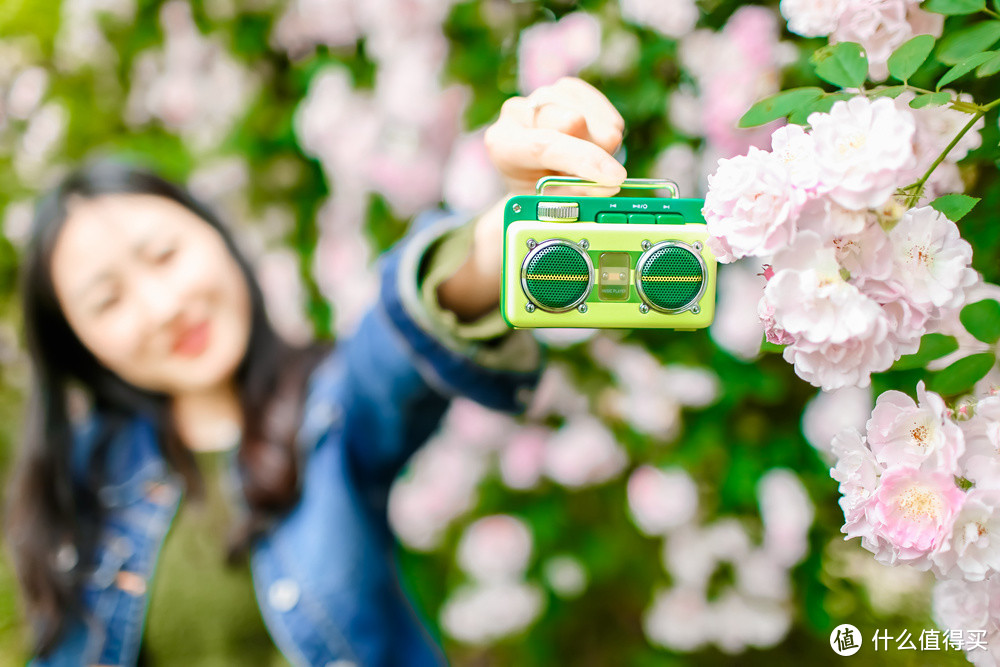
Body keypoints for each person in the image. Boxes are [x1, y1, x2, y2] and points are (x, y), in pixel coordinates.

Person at [4, 76, 627, 666]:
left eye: (164, 255)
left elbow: (402, 333)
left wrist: (513, 229)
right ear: (76, 343)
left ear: (217, 237)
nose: (162, 308)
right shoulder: (78, 483)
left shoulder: (327, 408)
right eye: (107, 300)